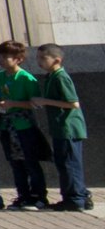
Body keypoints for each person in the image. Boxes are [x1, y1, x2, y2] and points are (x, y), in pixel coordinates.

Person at [0, 42, 52, 210]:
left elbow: (35, 103)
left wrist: (13, 104)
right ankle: (23, 195)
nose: (2, 60)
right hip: (6, 125)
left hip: (23, 125)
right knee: (15, 163)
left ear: (18, 59)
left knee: (30, 162)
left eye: (6, 57)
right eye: (0, 56)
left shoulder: (26, 78)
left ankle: (39, 196)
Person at [32, 44, 88, 210]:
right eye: (38, 58)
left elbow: (73, 103)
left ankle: (76, 198)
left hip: (68, 128)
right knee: (64, 163)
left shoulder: (60, 77)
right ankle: (74, 196)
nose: (39, 62)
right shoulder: (51, 76)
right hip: (59, 127)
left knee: (70, 163)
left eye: (43, 58)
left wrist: (45, 101)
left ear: (57, 60)